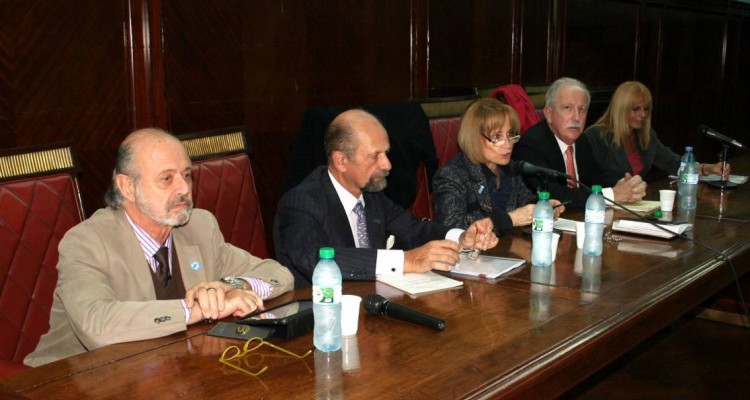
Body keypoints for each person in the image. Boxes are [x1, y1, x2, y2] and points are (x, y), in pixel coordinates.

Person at [25, 128, 294, 367]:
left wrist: (234, 287)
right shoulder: (87, 242)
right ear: (127, 186)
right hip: (75, 380)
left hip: (172, 371)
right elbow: (97, 324)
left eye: (186, 175)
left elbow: (279, 275)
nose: (183, 189)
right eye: (166, 178)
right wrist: (199, 308)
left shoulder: (199, 226)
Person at [274, 109, 498, 288]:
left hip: (372, 304)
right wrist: (407, 261)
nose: (387, 165)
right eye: (375, 156)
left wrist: (460, 238)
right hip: (320, 319)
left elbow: (411, 229)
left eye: (386, 153)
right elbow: (318, 263)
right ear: (341, 161)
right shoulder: (301, 203)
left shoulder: (371, 195)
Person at [433, 98, 565, 232]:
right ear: (474, 139)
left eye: (510, 135)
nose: (508, 144)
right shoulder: (451, 175)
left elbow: (524, 202)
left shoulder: (509, 168)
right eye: (497, 137)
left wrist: (542, 207)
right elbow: (452, 230)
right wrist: (510, 219)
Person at [513, 77, 647, 208]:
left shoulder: (582, 141)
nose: (576, 117)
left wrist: (628, 186)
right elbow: (554, 195)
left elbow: (596, 180)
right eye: (567, 108)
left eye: (582, 109)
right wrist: (612, 194)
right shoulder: (531, 144)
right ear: (549, 113)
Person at [584, 80, 730, 186]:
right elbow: (584, 181)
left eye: (646, 109)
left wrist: (707, 168)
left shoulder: (645, 135)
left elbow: (672, 162)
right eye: (636, 109)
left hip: (635, 204)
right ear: (621, 108)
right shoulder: (596, 136)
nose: (642, 115)